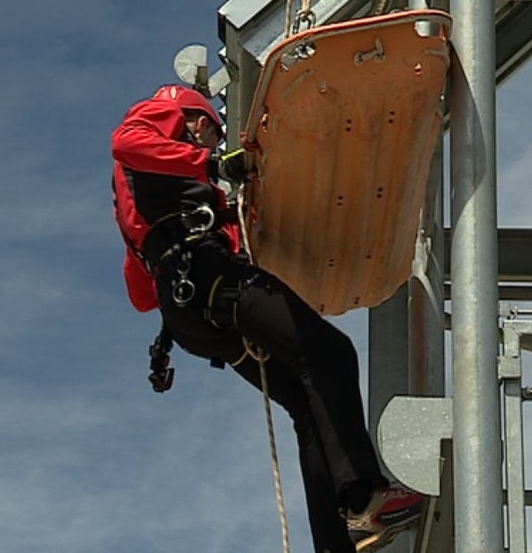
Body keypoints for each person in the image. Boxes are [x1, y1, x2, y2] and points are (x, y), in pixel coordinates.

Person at [110, 84, 424, 553]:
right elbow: (126, 141)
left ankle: (339, 540)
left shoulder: (146, 203)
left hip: (189, 313)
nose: (212, 145)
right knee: (330, 353)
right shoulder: (161, 119)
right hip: (210, 278)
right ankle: (364, 496)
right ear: (194, 120)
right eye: (210, 134)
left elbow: (140, 295)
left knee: (305, 398)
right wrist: (210, 166)